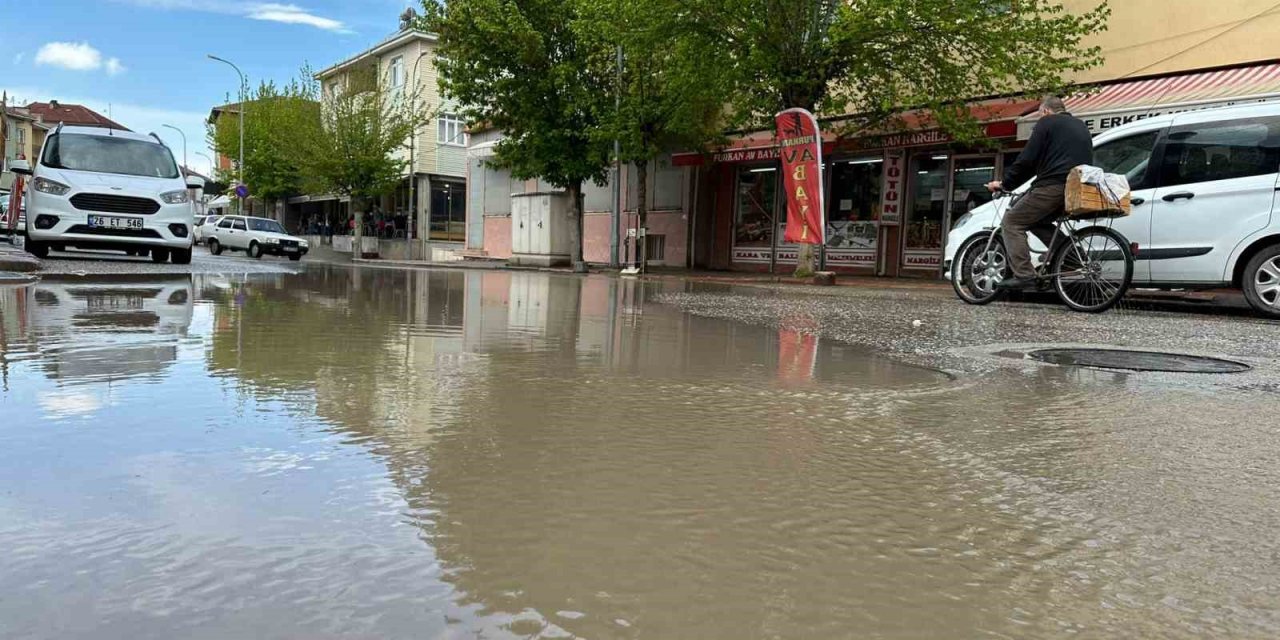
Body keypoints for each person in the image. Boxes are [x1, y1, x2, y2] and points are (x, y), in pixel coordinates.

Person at [985, 96, 1093, 290]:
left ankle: (1024, 275)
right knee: (1037, 220)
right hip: (1076, 189)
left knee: (1012, 222)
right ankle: (1069, 258)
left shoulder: (1046, 123)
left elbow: (1028, 159)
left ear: (1045, 111)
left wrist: (1005, 184)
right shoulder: (1080, 125)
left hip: (1052, 186)